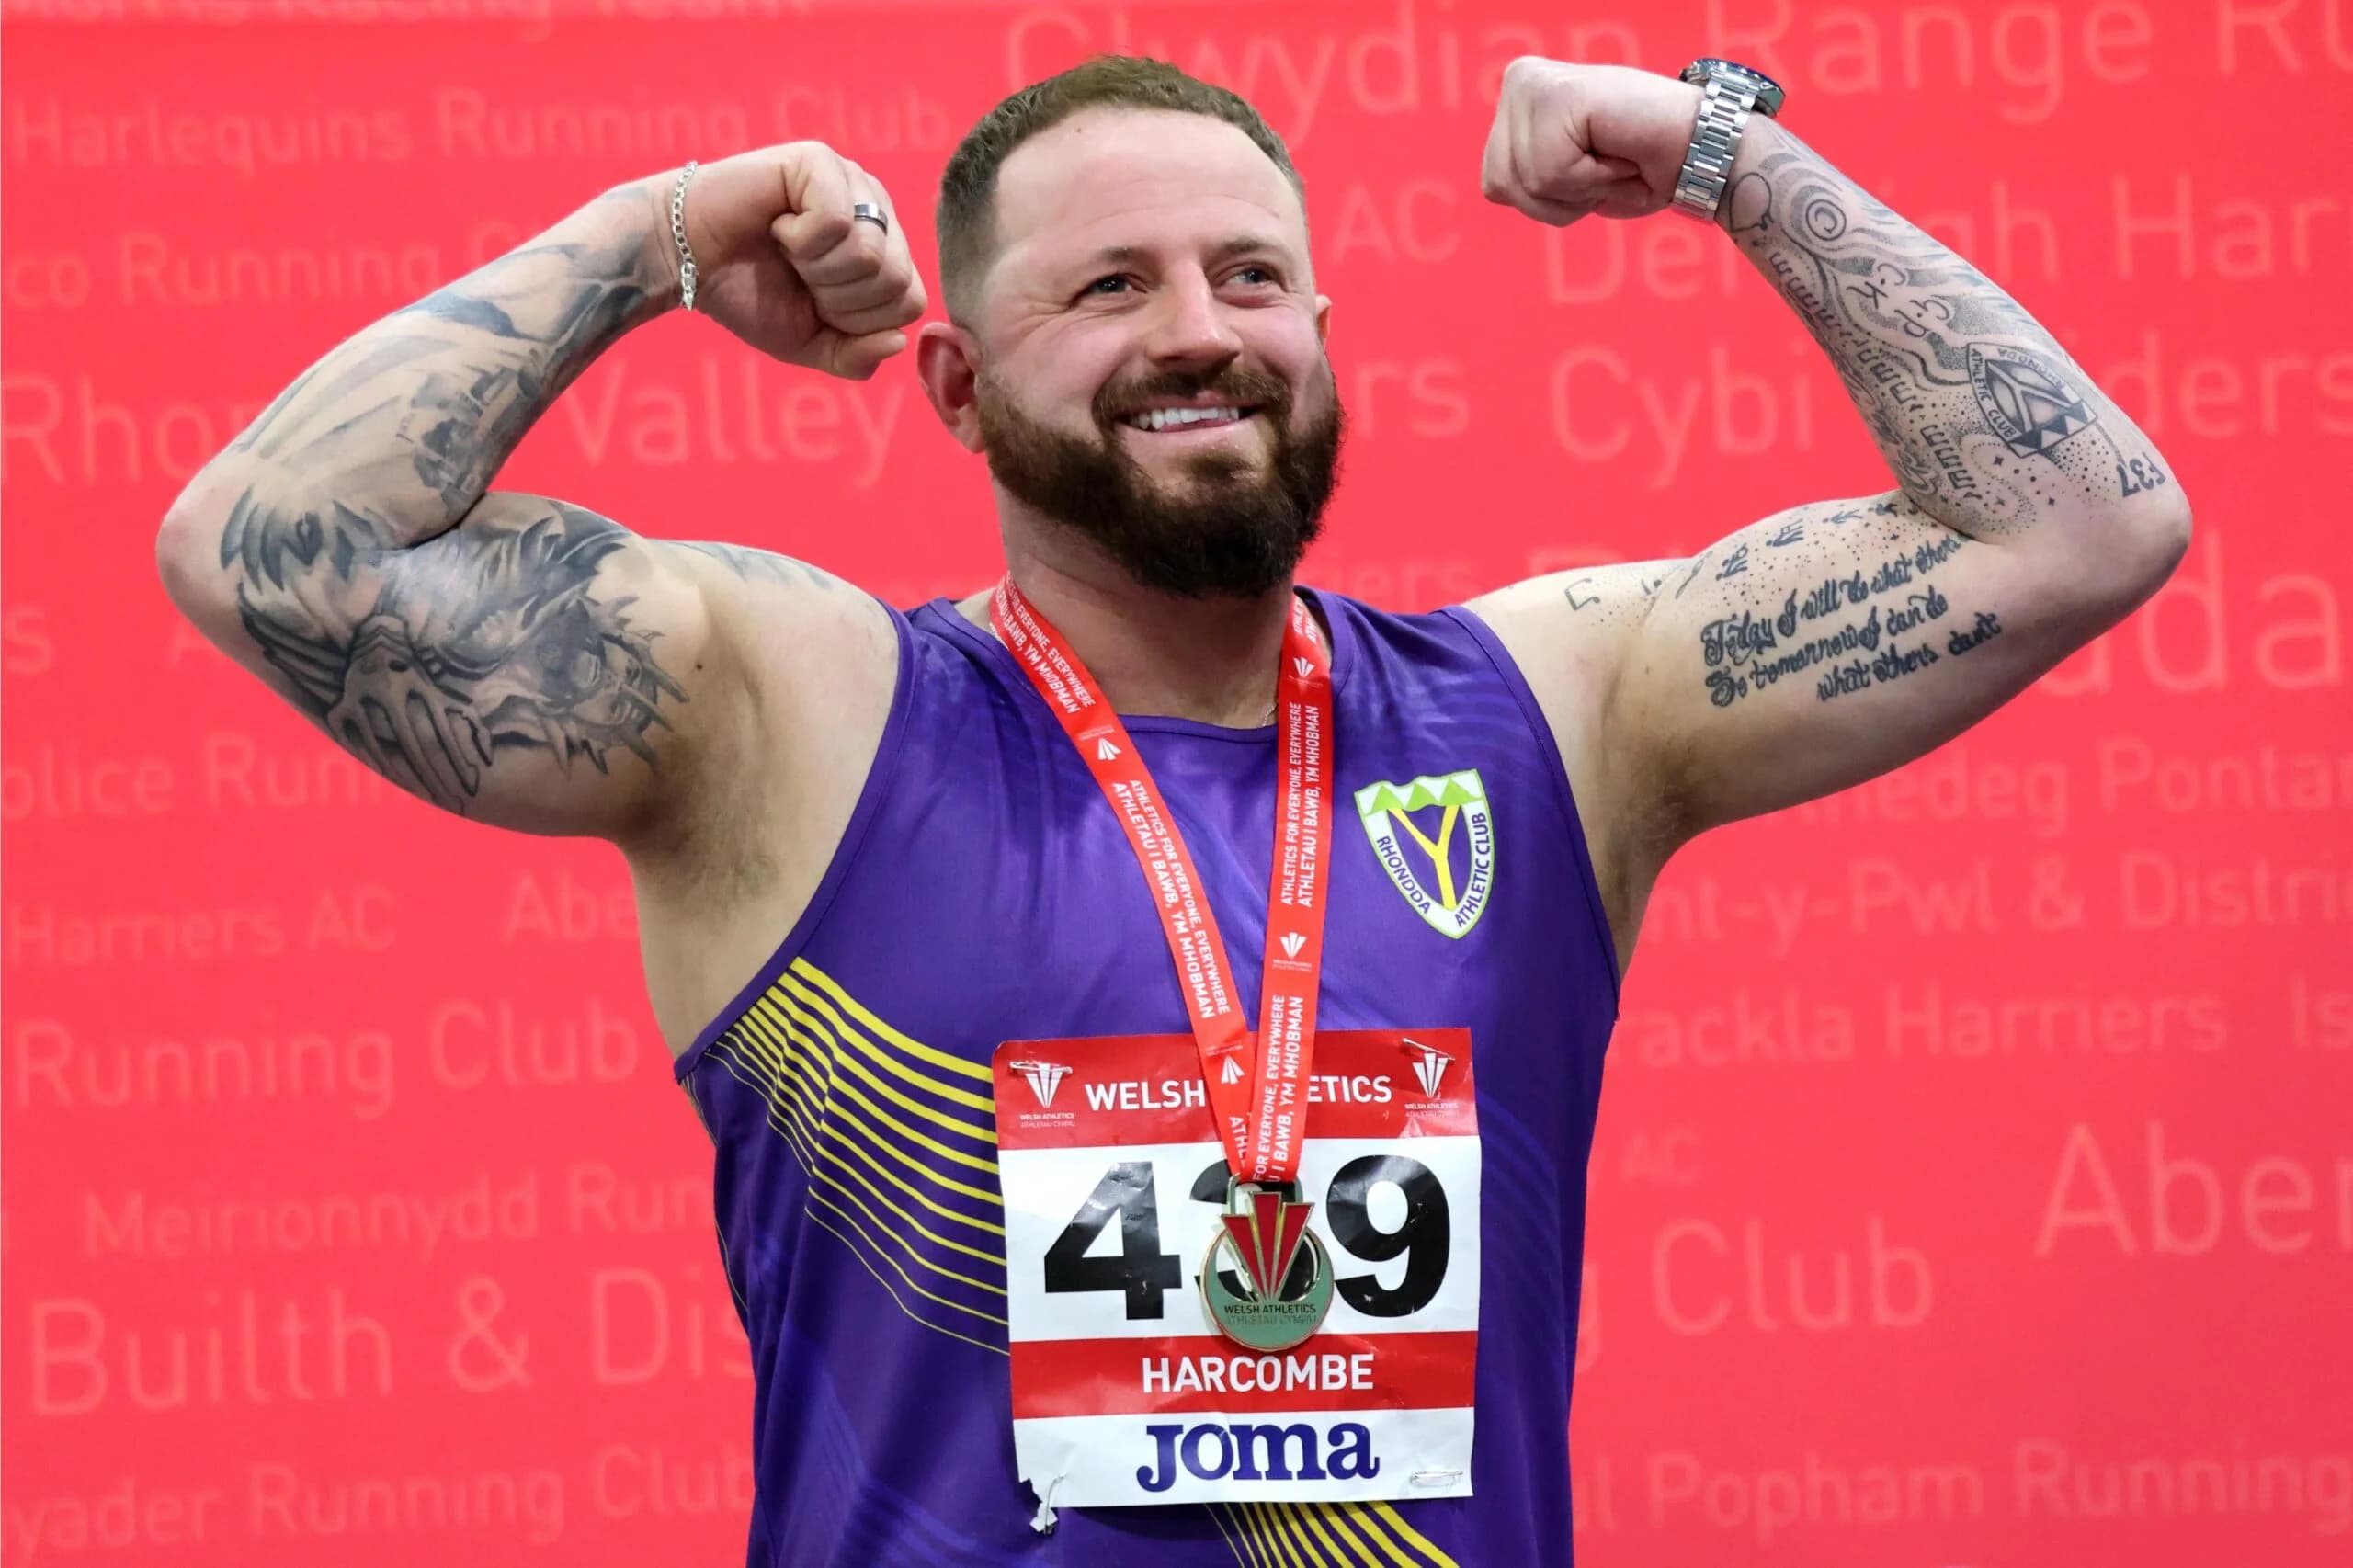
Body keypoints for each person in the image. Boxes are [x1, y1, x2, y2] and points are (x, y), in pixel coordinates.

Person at [156, 51, 2188, 1568]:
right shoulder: (790, 711)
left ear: (1321, 336)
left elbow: (2080, 529)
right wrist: (664, 235)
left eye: (1250, 276)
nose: (1200, 331)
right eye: (1110, 288)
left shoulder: (1559, 708)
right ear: (956, 388)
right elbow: (264, 552)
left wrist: (1727, 159)